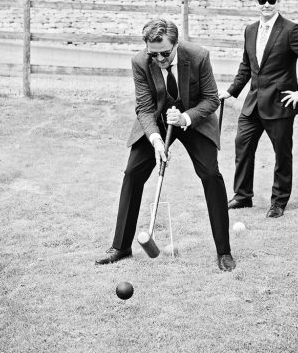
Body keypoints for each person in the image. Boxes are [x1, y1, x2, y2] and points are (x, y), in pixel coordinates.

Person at [95, 19, 235, 271]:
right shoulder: (140, 61)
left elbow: (211, 99)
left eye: (164, 53)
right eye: (153, 53)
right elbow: (145, 107)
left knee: (211, 174)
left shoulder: (198, 56)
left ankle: (224, 251)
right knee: (132, 173)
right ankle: (121, 246)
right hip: (158, 120)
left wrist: (185, 118)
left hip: (195, 119)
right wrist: (156, 140)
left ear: (176, 44)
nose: (159, 58)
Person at [220, 0, 298, 218]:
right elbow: (247, 66)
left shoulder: (290, 30)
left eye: (271, 1)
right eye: (262, 1)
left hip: (280, 104)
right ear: (256, 2)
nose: (266, 5)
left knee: (282, 155)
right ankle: (242, 196)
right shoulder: (250, 30)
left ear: (279, 1)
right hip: (253, 103)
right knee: (242, 146)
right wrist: (231, 91)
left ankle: (278, 202)